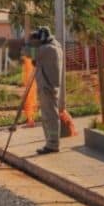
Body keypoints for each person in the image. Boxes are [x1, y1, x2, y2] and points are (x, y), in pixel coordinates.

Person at [31, 26, 63, 155]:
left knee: (49, 116)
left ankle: (53, 144)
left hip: (47, 86)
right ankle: (50, 142)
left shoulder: (46, 49)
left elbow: (31, 57)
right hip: (51, 84)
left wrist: (32, 44)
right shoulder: (57, 46)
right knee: (49, 115)